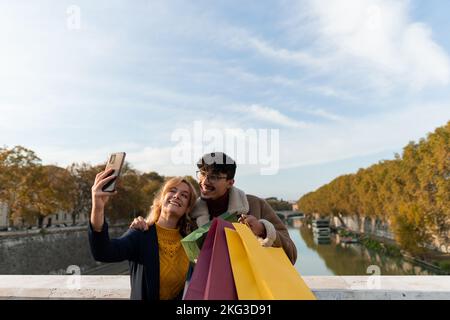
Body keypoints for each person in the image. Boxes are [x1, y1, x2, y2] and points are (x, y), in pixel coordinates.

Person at [131, 152, 297, 264]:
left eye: (214, 177)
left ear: (230, 182)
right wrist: (145, 225)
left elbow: (292, 255)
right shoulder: (188, 212)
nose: (204, 181)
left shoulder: (255, 205)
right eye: (202, 173)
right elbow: (166, 238)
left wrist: (263, 230)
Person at [88, 169, 197, 300]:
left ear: (188, 208)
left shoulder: (190, 242)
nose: (177, 195)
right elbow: (103, 252)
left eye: (184, 195)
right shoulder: (141, 233)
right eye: (172, 191)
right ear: (161, 199)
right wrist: (98, 207)